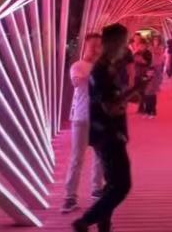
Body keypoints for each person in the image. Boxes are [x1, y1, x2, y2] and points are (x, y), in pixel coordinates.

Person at [73, 23, 133, 232]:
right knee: (122, 185)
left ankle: (104, 224)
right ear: (115, 43)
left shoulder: (107, 69)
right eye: (123, 42)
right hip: (109, 134)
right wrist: (132, 92)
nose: (125, 47)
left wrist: (130, 92)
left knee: (112, 184)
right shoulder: (102, 71)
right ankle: (85, 221)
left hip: (106, 133)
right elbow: (110, 107)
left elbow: (110, 101)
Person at [61, 33, 105, 214]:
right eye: (92, 45)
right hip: (82, 117)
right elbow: (78, 82)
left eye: (99, 45)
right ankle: (70, 196)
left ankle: (97, 189)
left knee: (101, 156)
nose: (95, 49)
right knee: (77, 158)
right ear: (85, 46)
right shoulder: (78, 66)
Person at [145, 35, 165, 117]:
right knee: (150, 79)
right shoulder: (150, 47)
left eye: (156, 40)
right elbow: (149, 53)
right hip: (151, 64)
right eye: (154, 40)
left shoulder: (160, 47)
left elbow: (160, 54)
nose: (155, 41)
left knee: (157, 76)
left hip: (158, 64)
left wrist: (154, 52)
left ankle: (156, 87)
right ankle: (148, 110)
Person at [133, 39, 153, 115]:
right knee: (138, 91)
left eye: (142, 45)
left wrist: (141, 60)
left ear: (145, 46)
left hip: (145, 74)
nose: (141, 47)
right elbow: (133, 63)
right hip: (137, 74)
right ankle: (141, 106)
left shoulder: (148, 53)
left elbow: (148, 63)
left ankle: (143, 107)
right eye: (140, 45)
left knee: (143, 90)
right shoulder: (136, 53)